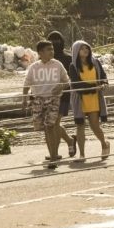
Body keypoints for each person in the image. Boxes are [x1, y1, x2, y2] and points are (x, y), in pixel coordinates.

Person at [24, 40, 72, 169]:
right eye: (48, 49)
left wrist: (60, 87)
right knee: (44, 127)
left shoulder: (57, 64)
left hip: (53, 99)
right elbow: (27, 83)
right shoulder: (34, 67)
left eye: (52, 49)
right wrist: (24, 99)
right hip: (38, 99)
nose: (52, 51)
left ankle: (53, 158)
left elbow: (67, 81)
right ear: (40, 53)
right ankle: (53, 153)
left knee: (50, 126)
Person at [68, 40, 111, 161]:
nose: (85, 50)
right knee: (80, 126)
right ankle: (82, 154)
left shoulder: (96, 62)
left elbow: (103, 76)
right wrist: (93, 87)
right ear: (76, 51)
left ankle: (104, 143)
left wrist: (104, 83)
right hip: (80, 99)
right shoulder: (73, 66)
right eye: (81, 48)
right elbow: (77, 85)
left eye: (86, 48)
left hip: (94, 99)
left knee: (94, 126)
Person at [46, 31, 78, 158]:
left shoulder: (67, 58)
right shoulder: (44, 60)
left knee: (54, 123)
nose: (55, 44)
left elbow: (70, 79)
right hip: (46, 95)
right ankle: (69, 141)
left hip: (63, 96)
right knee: (52, 124)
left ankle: (55, 153)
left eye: (57, 41)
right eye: (52, 42)